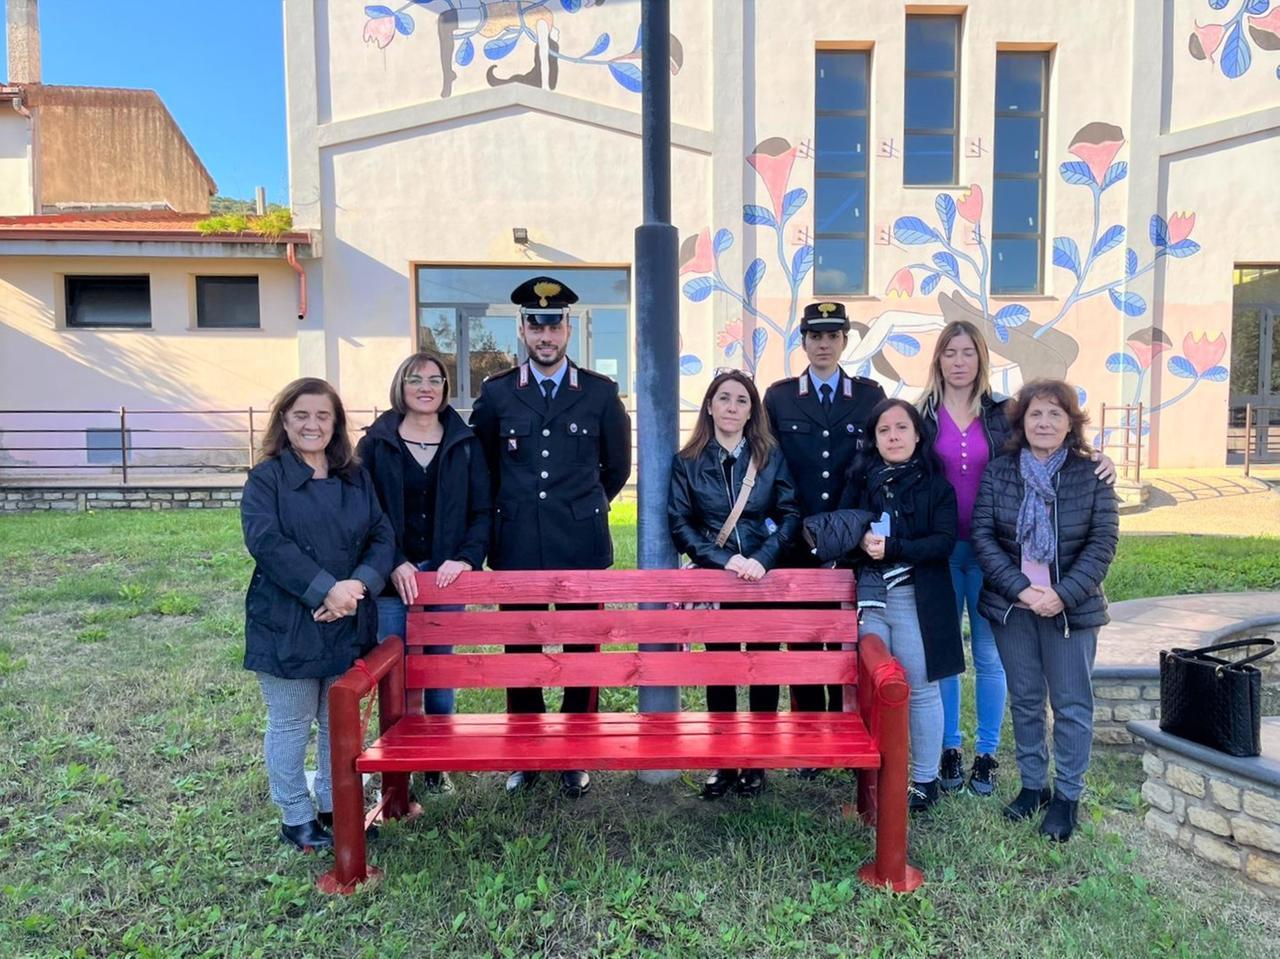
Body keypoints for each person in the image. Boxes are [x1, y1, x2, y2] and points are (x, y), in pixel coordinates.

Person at [919, 320, 1116, 797]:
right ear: (939, 359)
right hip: (940, 549)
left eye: (968, 352)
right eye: (950, 352)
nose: (959, 361)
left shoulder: (1002, 411)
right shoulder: (921, 414)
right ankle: (950, 747)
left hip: (997, 555)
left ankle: (987, 754)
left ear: (981, 358)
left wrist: (1099, 458)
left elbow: (1050, 444)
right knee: (945, 654)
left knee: (989, 654)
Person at [470, 275, 631, 798]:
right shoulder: (497, 394)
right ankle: (526, 750)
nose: (546, 336)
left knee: (583, 651)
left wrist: (582, 507)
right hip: (517, 542)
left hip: (581, 543)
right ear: (521, 329)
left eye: (554, 326)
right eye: (536, 327)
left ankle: (576, 751)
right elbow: (483, 468)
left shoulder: (600, 393)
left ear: (569, 329)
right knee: (521, 650)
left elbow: (617, 467)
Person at [241, 377, 395, 851]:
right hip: (289, 620)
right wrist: (326, 590)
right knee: (291, 722)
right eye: (301, 415)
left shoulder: (355, 477)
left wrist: (356, 587)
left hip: (349, 617)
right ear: (284, 422)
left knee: (337, 722)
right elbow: (267, 543)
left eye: (323, 415)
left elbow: (382, 535)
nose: (313, 424)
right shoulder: (266, 479)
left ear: (336, 423)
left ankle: (335, 804)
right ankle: (295, 817)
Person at [970, 379, 1118, 842]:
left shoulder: (1090, 474)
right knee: (1027, 700)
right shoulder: (999, 472)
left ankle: (1067, 795)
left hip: (1070, 610)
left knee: (1071, 704)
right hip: (1013, 608)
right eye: (1036, 413)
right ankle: (1033, 785)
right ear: (1022, 422)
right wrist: (1021, 589)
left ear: (1071, 423)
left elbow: (1103, 542)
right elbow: (983, 537)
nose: (1045, 422)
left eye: (1056, 414)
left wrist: (1062, 594)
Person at [356, 351, 491, 794]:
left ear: (445, 388)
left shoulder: (465, 443)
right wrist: (392, 560)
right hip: (393, 576)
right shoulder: (376, 444)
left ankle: (437, 762)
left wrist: (465, 558)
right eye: (415, 379)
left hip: (445, 575)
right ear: (401, 386)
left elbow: (482, 510)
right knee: (398, 671)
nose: (425, 387)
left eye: (434, 379)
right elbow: (364, 512)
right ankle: (399, 769)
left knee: (438, 669)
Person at [668, 369, 801, 799]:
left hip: (762, 580)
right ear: (709, 406)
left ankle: (757, 761)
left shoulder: (769, 456)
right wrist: (726, 561)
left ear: (751, 411)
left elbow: (790, 514)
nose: (731, 407)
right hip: (718, 581)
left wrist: (762, 559)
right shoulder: (688, 461)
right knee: (721, 670)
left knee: (763, 668)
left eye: (741, 400)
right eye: (724, 398)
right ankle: (724, 760)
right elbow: (681, 524)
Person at [839, 398, 963, 812]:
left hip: (915, 597)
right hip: (871, 598)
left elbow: (943, 542)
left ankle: (925, 780)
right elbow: (842, 529)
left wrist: (894, 547)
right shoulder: (861, 482)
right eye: (884, 430)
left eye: (901, 428)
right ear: (873, 439)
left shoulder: (936, 487)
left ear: (918, 434)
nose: (893, 436)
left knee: (921, 689)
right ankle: (876, 772)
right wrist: (858, 539)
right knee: (874, 688)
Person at [764, 301, 884, 720]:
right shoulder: (779, 398)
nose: (824, 344)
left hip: (851, 544)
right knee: (804, 640)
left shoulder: (869, 396)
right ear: (803, 341)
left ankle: (845, 724)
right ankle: (810, 729)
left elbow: (876, 467)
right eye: (815, 336)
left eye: (833, 336)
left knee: (846, 640)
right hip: (798, 541)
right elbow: (769, 466)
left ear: (845, 341)